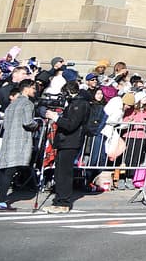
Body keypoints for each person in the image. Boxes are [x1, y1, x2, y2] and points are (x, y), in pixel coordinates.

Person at [0, 79, 39, 211]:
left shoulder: (12, 104)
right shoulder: (27, 103)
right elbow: (28, 122)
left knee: (1, 170)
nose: (35, 91)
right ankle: (1, 201)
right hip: (19, 140)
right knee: (10, 171)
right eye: (33, 88)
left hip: (8, 139)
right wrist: (37, 124)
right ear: (26, 89)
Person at [47, 81, 91, 213]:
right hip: (65, 141)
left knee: (65, 173)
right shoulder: (74, 103)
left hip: (71, 141)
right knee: (59, 172)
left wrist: (56, 118)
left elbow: (72, 124)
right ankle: (58, 200)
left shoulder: (80, 104)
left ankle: (63, 203)